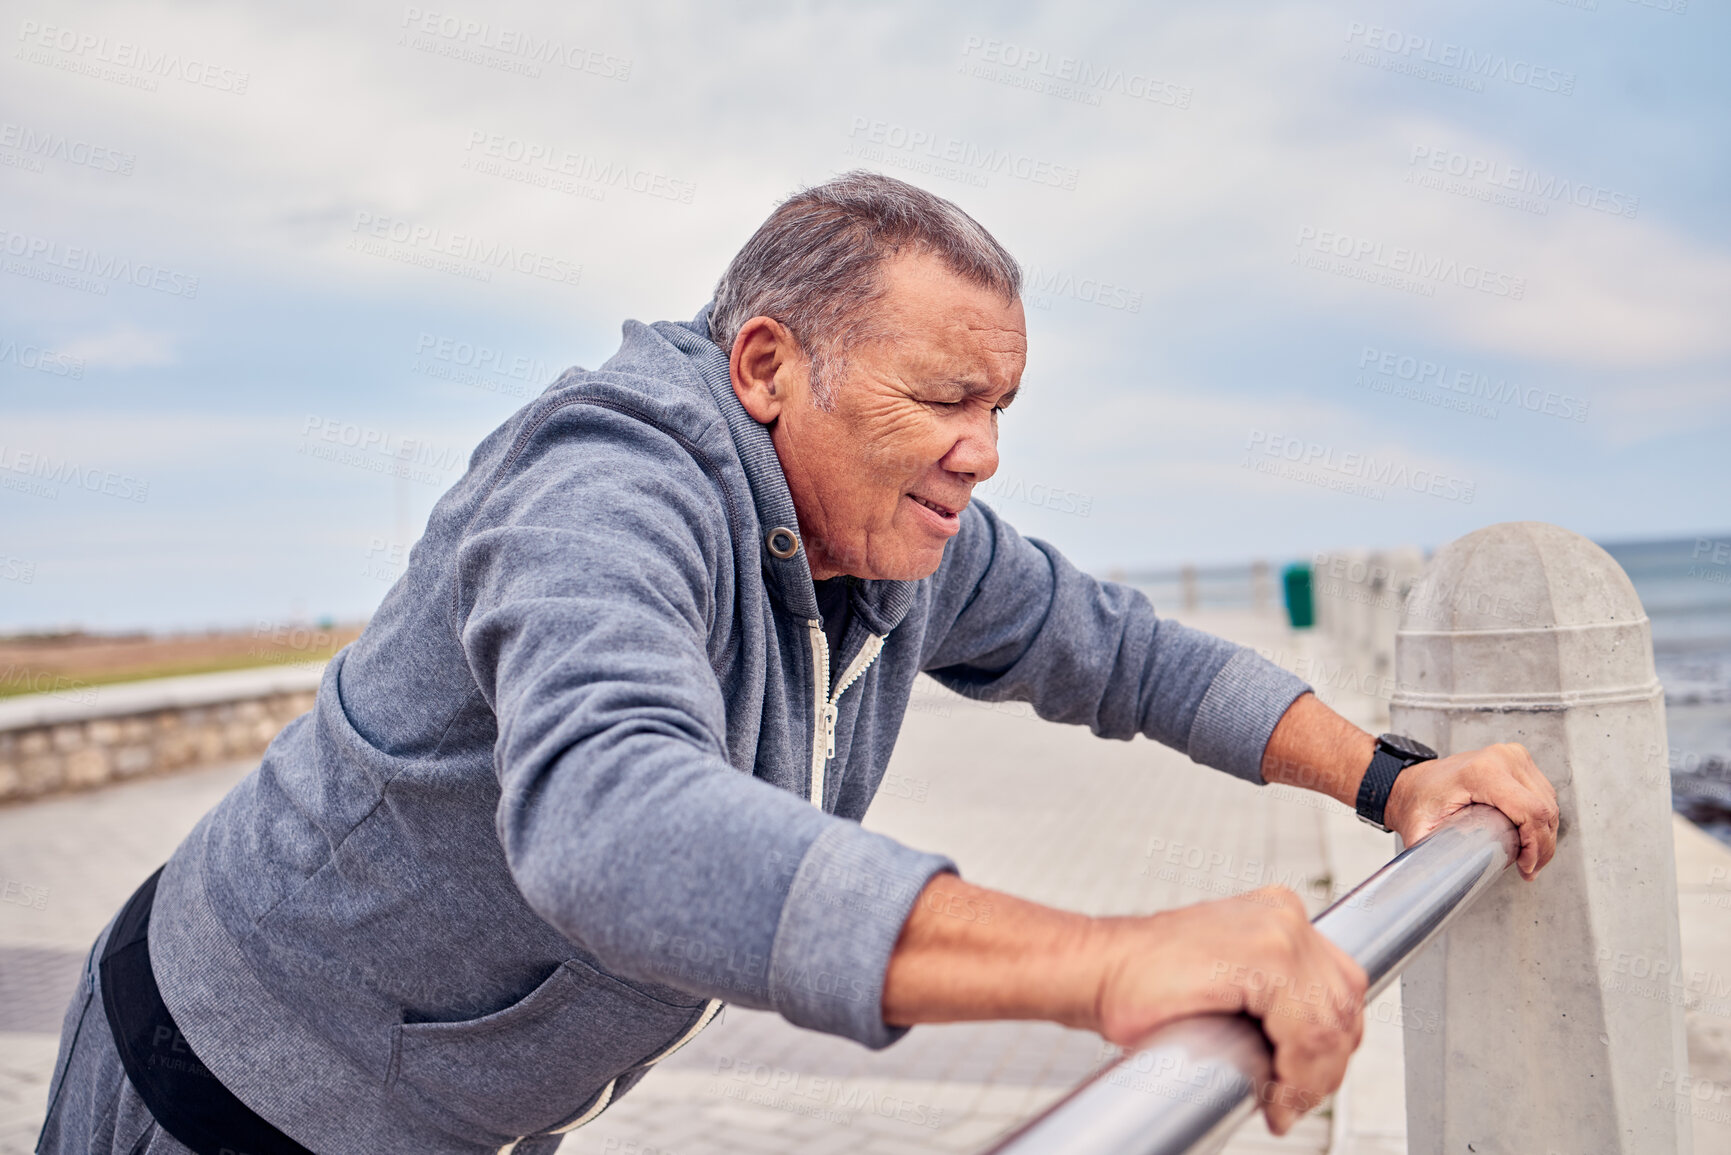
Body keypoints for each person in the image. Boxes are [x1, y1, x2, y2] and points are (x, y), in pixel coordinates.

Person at [39, 171, 1559, 1155]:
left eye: (1003, 406)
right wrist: (1111, 961)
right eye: (947, 398)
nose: (986, 451)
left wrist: (1393, 781)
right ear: (769, 368)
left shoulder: (894, 529)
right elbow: (614, 819)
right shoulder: (603, 480)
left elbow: (1125, 653)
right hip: (220, 1090)